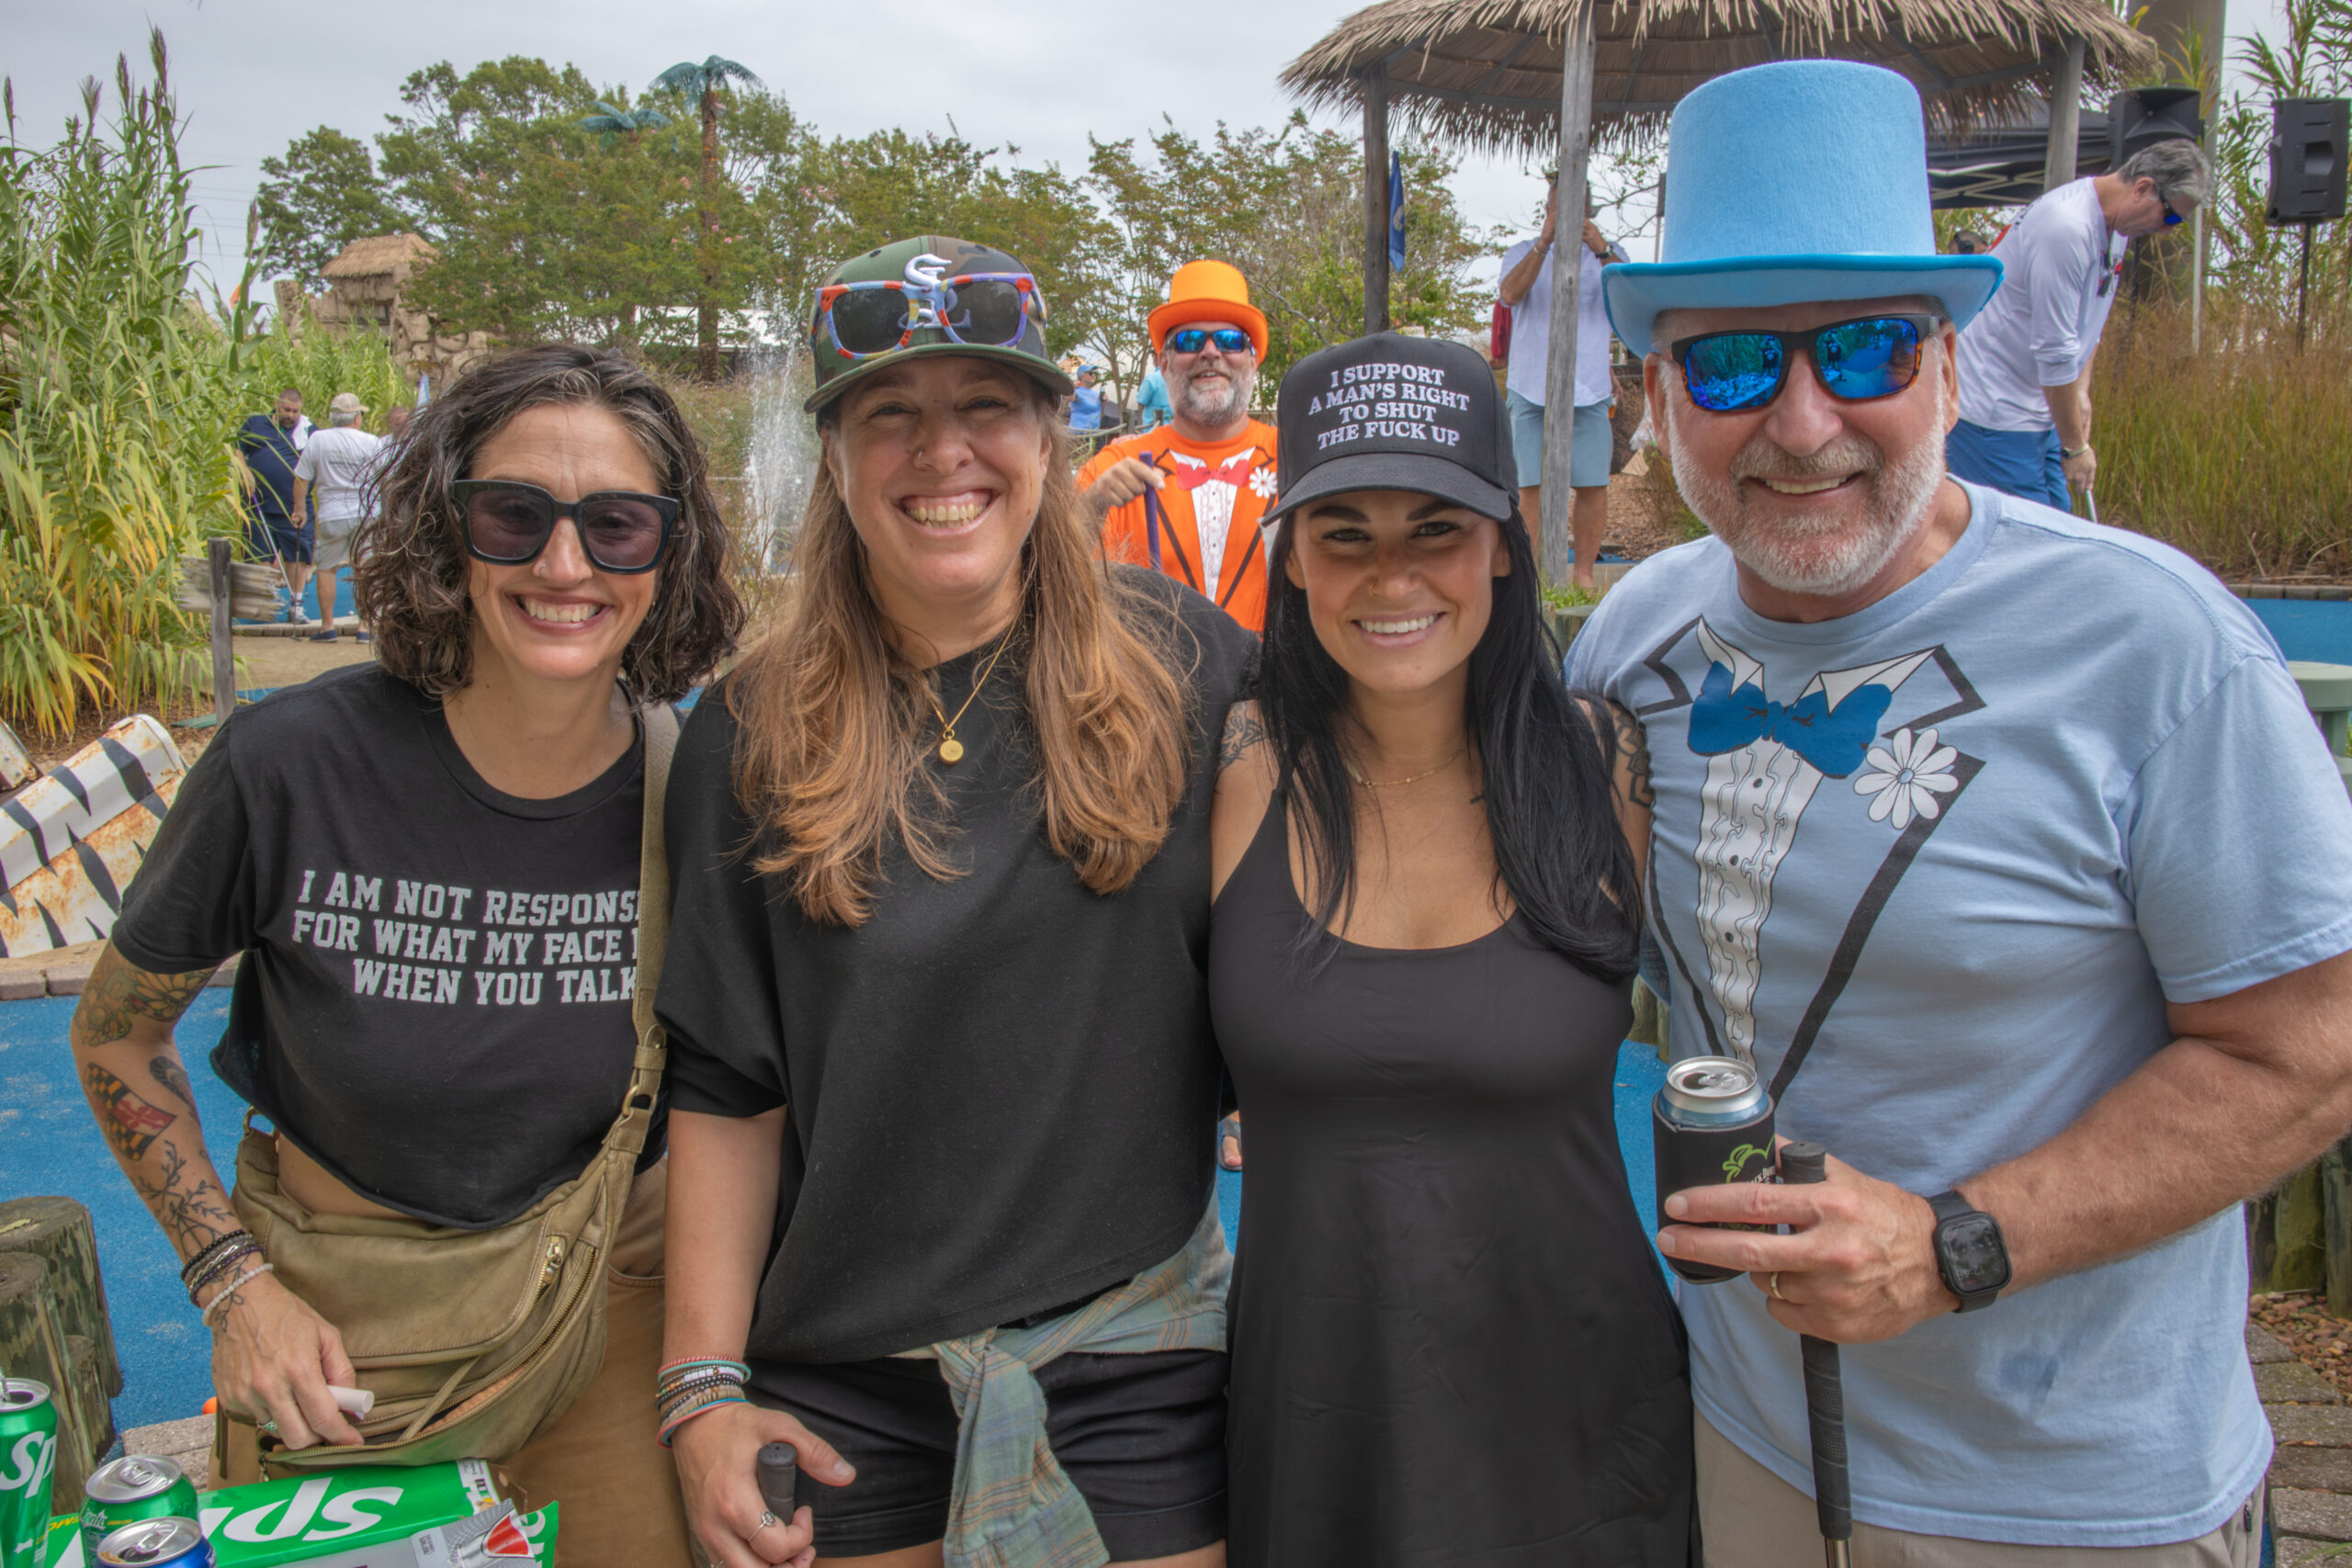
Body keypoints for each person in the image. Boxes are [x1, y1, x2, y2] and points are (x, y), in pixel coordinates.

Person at [1573, 59, 2352, 1563]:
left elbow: (2308, 1051)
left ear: (1946, 361)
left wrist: (1956, 1242)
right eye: (1731, 366)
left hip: (2071, 1493)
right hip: (1740, 1444)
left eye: (1864, 348)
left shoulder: (2156, 646)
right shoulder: (1634, 639)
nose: (1803, 423)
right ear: (1657, 393)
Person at [74, 344, 744, 1566]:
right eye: (514, 515)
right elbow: (115, 1032)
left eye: (616, 525)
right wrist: (233, 1284)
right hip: (347, 1340)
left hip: (613, 1322)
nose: (564, 565)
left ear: (670, 550)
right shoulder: (289, 764)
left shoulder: (697, 787)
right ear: (448, 527)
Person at [656, 235, 1254, 1568]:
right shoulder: (749, 726)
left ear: (1049, 432)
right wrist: (698, 1390)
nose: (943, 453)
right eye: (890, 414)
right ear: (832, 453)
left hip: (1131, 1345)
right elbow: (726, 1080)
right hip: (841, 1365)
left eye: (986, 404)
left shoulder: (1192, 667)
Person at [1213, 330, 1688, 1564]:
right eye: (1345, 535)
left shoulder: (1608, 764)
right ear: (1293, 557)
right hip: (1315, 1425)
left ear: (1503, 546)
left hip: (1583, 1423)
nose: (1392, 576)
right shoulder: (1235, 768)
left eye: (1436, 529)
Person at [1948, 138, 2210, 513]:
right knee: (2025, 538)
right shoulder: (2067, 228)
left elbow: (2089, 319)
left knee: (2060, 524)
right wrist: (2075, 447)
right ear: (2143, 188)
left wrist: (2081, 391)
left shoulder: (2116, 227)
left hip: (2045, 402)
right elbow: (2053, 349)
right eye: (2170, 218)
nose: (2167, 231)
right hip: (1994, 408)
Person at [1081, 260, 1278, 632]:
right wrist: (1090, 509)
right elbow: (1055, 582)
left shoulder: (1297, 459)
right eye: (1189, 340)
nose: (1210, 352)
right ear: (1164, 363)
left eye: (1230, 340)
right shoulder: (1111, 470)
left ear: (1253, 360)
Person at [1497, 183, 1626, 592]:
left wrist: (1602, 249)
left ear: (1589, 210)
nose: (1568, 213)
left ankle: (1584, 576)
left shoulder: (1610, 255)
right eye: (1559, 207)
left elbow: (1628, 298)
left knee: (1593, 485)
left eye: (1577, 207)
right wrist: (1543, 244)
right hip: (1530, 385)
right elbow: (1509, 295)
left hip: (1588, 386)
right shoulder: (1521, 251)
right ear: (1548, 209)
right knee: (1527, 488)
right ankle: (1531, 580)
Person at [289, 392, 383, 644]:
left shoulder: (318, 439)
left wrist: (300, 510)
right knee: (366, 569)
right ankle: (366, 626)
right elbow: (386, 478)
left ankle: (328, 626)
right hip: (366, 512)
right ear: (356, 417)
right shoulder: (371, 442)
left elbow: (301, 478)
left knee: (327, 569)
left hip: (332, 513)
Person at [238, 388, 315, 623]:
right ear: (276, 405)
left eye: (295, 411)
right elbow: (237, 449)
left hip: (295, 506)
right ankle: (263, 602)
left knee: (298, 554)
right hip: (259, 502)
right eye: (286, 410)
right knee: (258, 551)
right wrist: (244, 471)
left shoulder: (309, 431)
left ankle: (296, 605)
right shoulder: (256, 424)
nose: (290, 415)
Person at [1136, 359, 1172, 431]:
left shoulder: (1151, 379)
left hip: (1152, 429)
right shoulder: (1179, 378)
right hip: (1176, 430)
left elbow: (1141, 402)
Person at [1069, 365, 1105, 433]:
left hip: (1094, 433)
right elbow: (1070, 398)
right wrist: (1073, 388)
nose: (1093, 375)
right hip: (1078, 433)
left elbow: (1100, 415)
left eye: (1094, 373)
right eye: (1090, 373)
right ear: (1081, 376)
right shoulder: (1077, 391)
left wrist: (1104, 403)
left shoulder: (1096, 394)